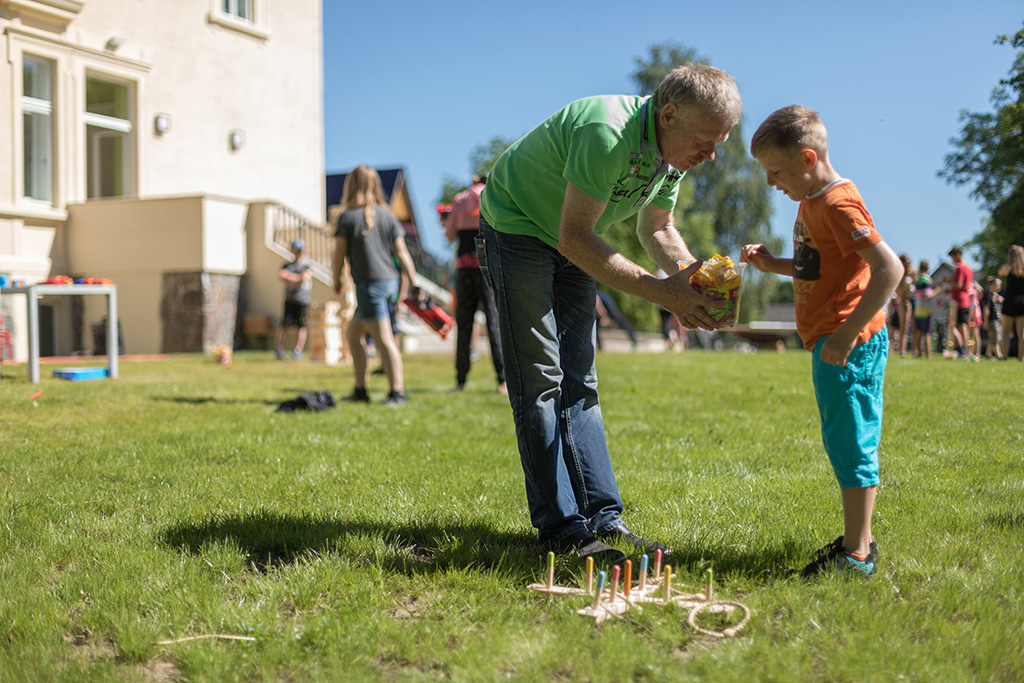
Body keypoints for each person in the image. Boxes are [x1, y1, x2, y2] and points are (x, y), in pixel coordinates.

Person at [478, 64, 740, 563]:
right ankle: (561, 529)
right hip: (516, 227)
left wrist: (692, 283)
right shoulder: (607, 132)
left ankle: (603, 517)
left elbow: (658, 228)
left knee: (581, 380)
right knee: (540, 381)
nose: (711, 155)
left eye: (720, 142)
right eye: (707, 140)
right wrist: (665, 295)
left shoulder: (671, 153)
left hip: (571, 236)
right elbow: (574, 237)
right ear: (668, 115)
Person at [740, 105, 902, 578]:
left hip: (847, 343)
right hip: (832, 340)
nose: (771, 183)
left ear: (807, 159)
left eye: (775, 171)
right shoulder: (811, 202)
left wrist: (848, 332)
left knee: (852, 442)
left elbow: (890, 269)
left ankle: (855, 556)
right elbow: (820, 264)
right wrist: (775, 266)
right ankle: (860, 540)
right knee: (842, 439)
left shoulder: (836, 202)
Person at [332, 165, 417, 407]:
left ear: (351, 186)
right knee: (353, 334)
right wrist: (413, 279)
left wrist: (336, 279)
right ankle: (360, 390)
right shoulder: (388, 215)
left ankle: (397, 393)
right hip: (388, 284)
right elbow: (401, 251)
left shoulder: (347, 217)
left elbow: (339, 254)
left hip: (371, 287)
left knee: (384, 340)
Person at [445, 175, 506, 394]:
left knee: (464, 325)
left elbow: (450, 235)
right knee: (494, 324)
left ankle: (460, 380)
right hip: (486, 268)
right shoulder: (492, 196)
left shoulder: (459, 200)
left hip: (464, 269)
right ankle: (502, 381)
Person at [275, 238, 313, 360]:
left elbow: (305, 277)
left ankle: (298, 350)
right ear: (292, 250)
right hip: (290, 301)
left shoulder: (306, 266)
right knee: (284, 326)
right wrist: (298, 278)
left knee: (301, 327)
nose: (298, 253)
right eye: (296, 250)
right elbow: (282, 275)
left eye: (301, 250)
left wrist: (291, 278)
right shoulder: (287, 265)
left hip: (303, 301)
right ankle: (279, 349)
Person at [947, 246, 974, 360]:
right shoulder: (969, 268)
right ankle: (966, 351)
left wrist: (949, 284)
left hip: (959, 300)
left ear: (957, 255)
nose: (952, 261)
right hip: (965, 299)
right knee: (961, 325)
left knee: (957, 326)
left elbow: (958, 284)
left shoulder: (960, 268)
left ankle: (963, 350)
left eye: (953, 258)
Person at [998, 244, 1024, 361]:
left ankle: (1004, 356)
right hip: (1022, 300)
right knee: (1021, 333)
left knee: (1005, 331)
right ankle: (1021, 357)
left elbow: (1000, 273)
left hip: (1010, 300)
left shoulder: (1007, 268)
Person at [911, 261, 937, 359]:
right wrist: (936, 292)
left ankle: (918, 352)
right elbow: (926, 295)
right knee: (927, 333)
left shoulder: (918, 279)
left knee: (919, 332)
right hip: (926, 310)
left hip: (919, 309)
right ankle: (928, 355)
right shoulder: (925, 279)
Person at [981, 276, 1003, 359]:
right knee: (996, 337)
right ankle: (999, 354)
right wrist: (985, 321)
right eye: (996, 284)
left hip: (998, 319)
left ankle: (988, 354)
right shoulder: (988, 296)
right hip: (992, 319)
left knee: (993, 337)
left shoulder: (997, 296)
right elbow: (986, 310)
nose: (998, 286)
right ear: (991, 285)